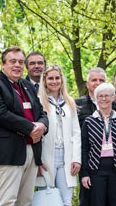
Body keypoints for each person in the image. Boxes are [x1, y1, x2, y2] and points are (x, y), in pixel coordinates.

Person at [0, 46, 48, 206]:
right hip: (8, 152)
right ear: (2, 64)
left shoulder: (27, 85)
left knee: (25, 201)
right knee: (7, 201)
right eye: (12, 61)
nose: (17, 65)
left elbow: (41, 112)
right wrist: (31, 128)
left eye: (20, 62)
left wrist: (42, 125)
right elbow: (1, 114)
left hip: (32, 151)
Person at [75, 67, 116, 206]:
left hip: (111, 163)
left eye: (101, 80)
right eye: (94, 80)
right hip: (87, 161)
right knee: (88, 200)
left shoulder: (115, 105)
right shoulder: (78, 105)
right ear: (87, 83)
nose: (97, 83)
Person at [36, 65, 82, 206]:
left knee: (66, 200)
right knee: (46, 198)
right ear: (44, 81)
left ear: (62, 80)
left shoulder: (69, 102)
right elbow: (35, 134)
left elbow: (76, 133)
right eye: (50, 78)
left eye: (57, 78)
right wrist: (36, 161)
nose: (54, 81)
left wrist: (76, 159)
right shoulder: (38, 101)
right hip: (46, 156)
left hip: (66, 157)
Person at [81, 83, 116, 206]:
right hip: (96, 170)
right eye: (100, 96)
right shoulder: (89, 121)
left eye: (107, 95)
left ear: (113, 97)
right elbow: (84, 149)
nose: (104, 99)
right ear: (96, 99)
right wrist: (84, 174)